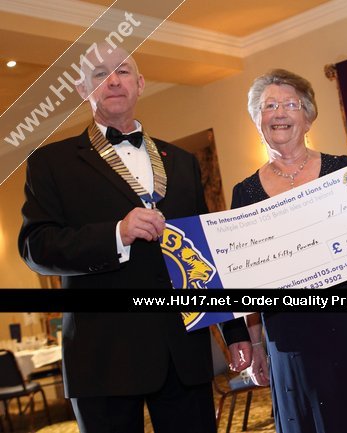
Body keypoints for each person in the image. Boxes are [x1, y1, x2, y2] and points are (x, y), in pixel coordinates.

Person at [18, 45, 216, 433]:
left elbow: (205, 251)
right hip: (102, 356)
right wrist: (116, 235)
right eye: (99, 74)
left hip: (183, 351)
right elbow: (35, 247)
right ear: (82, 89)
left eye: (123, 71)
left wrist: (236, 332)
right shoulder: (50, 163)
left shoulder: (182, 162)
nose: (113, 81)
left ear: (140, 84)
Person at [220, 69, 347, 433]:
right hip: (291, 335)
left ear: (308, 118)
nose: (279, 113)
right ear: (257, 120)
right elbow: (244, 279)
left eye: (290, 105)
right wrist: (256, 344)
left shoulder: (341, 171)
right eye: (269, 106)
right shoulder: (244, 194)